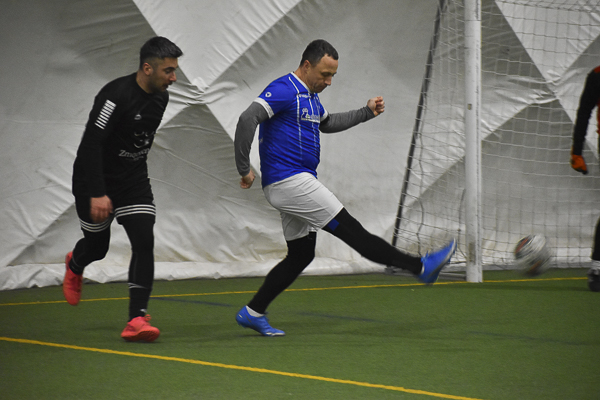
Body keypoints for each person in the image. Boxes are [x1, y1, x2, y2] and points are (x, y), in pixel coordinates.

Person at [233, 39, 456, 336]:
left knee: (301, 255)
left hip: (293, 183)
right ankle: (420, 268)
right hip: (290, 181)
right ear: (307, 65)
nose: (328, 82)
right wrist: (244, 168)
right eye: (325, 74)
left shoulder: (310, 97)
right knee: (353, 231)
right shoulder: (285, 89)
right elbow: (248, 118)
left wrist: (366, 112)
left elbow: (327, 123)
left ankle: (253, 312)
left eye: (333, 76)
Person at [62, 36, 183, 341]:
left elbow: (137, 140)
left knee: (144, 241)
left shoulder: (161, 98)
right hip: (93, 181)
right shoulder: (114, 96)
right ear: (147, 68)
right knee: (97, 248)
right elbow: (91, 144)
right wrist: (98, 192)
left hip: (132, 182)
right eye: (168, 71)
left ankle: (136, 318)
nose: (174, 77)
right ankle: (75, 263)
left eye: (175, 70)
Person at [570, 65, 600, 291]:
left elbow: (584, 113)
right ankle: (598, 268)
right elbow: (584, 112)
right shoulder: (597, 75)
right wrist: (577, 151)